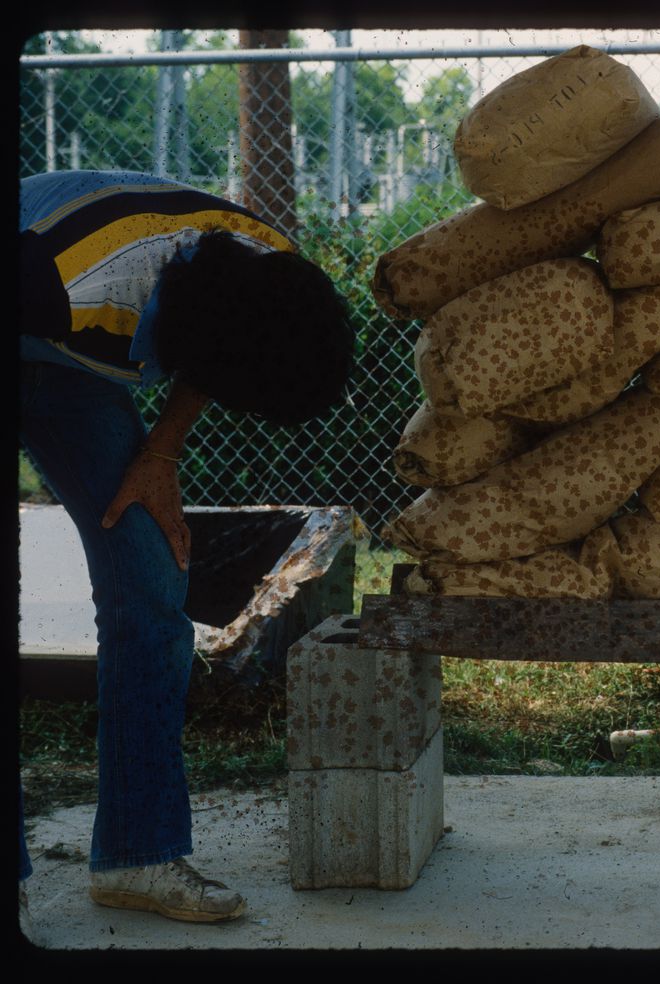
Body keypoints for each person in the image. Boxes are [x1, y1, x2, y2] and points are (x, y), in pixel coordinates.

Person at [18, 170, 355, 926]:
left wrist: (160, 454)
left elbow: (214, 357)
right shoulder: (66, 276)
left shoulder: (268, 271)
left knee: (148, 577)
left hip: (68, 356)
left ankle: (138, 854)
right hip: (29, 296)